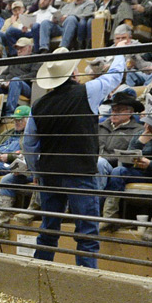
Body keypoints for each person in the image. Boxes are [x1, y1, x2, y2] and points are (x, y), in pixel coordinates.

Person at [27, 58, 102, 266]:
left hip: (50, 172)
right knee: (87, 232)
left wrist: (36, 173)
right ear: (73, 74)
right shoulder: (85, 93)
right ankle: (86, 282)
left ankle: (40, 272)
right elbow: (113, 76)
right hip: (80, 171)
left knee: (49, 228)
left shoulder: (39, 105)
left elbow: (30, 144)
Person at [100, 104, 152, 240]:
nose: (149, 127)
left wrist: (151, 164)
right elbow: (126, 157)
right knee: (118, 171)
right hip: (140, 172)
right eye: (148, 123)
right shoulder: (141, 133)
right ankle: (109, 217)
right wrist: (140, 142)